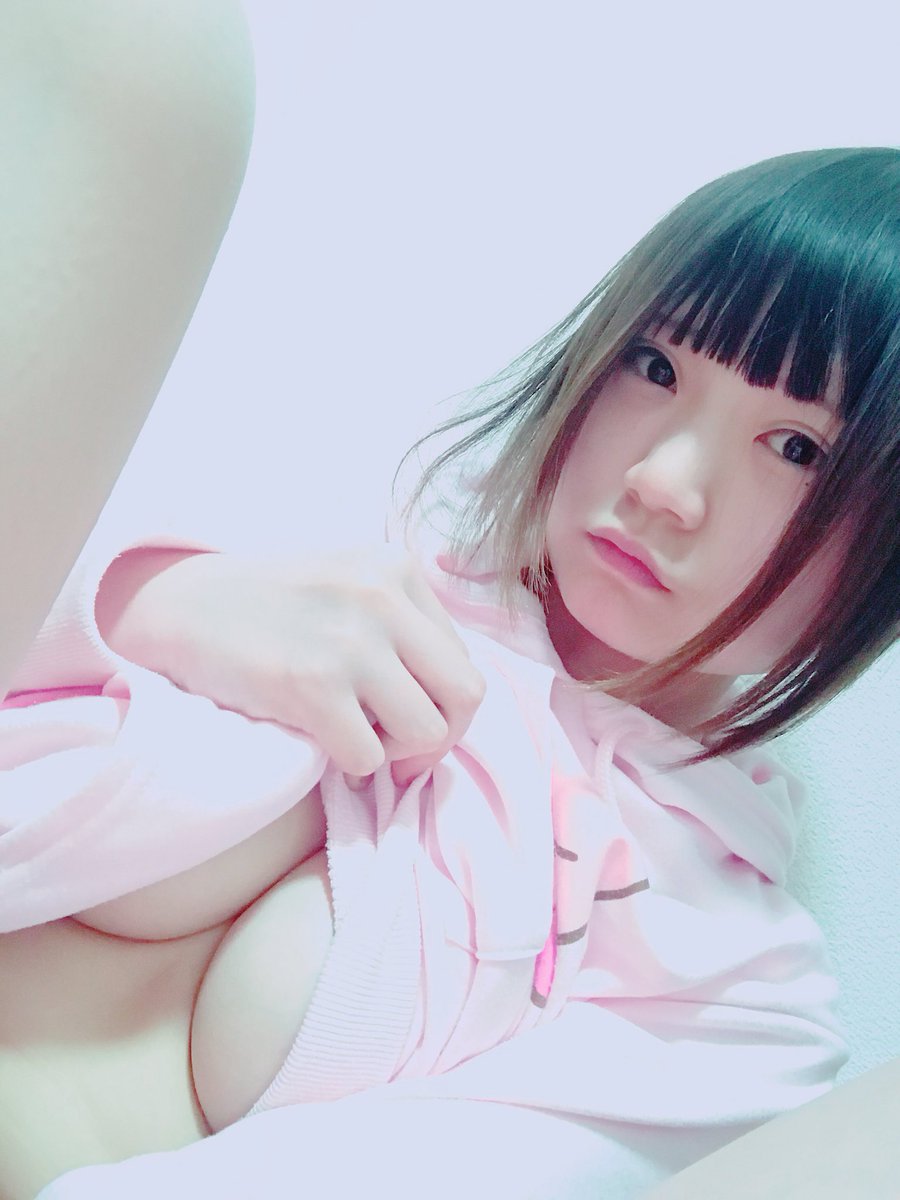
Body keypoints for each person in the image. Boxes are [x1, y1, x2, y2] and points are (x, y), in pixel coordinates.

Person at [0, 51, 897, 1200]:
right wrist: (154, 603)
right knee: (154, 74)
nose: (665, 481)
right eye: (656, 363)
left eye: (798, 448)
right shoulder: (334, 519)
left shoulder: (734, 993)